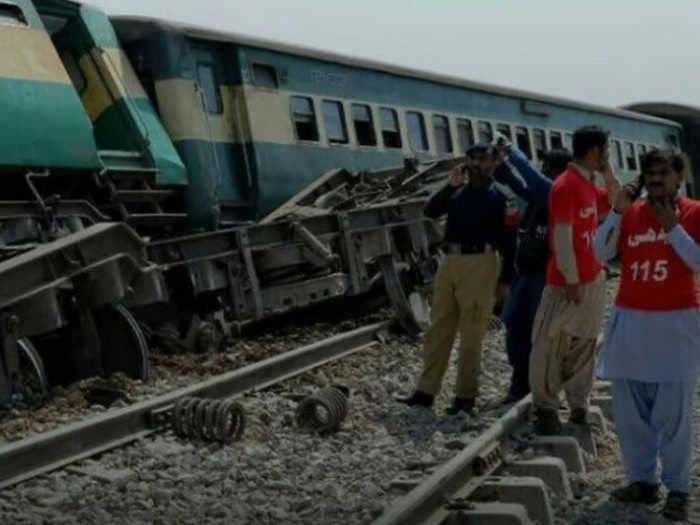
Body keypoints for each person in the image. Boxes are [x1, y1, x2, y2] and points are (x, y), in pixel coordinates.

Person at [594, 149, 697, 522]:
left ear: (678, 178)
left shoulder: (694, 213)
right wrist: (618, 211)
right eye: (649, 173)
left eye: (663, 173)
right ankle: (642, 480)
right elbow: (600, 251)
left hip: (675, 326)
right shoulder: (632, 214)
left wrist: (673, 227)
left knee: (673, 415)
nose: (655, 180)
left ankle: (679, 488)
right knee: (630, 411)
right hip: (632, 323)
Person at [397, 143, 517, 415]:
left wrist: (505, 280)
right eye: (472, 159)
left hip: (482, 262)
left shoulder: (501, 197)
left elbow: (510, 243)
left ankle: (465, 397)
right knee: (439, 328)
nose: (477, 164)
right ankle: (425, 392)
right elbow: (431, 210)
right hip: (450, 262)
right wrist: (450, 186)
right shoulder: (457, 193)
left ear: (493, 164)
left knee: (472, 332)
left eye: (483, 160)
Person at [528, 125, 620, 434]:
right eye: (606, 151)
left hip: (592, 276)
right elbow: (562, 235)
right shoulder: (566, 185)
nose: (608, 156)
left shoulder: (587, 183)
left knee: (584, 343)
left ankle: (579, 404)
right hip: (568, 281)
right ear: (594, 150)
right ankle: (546, 408)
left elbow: (618, 202)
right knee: (550, 343)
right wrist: (570, 278)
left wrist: (608, 174)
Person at [497, 148, 573, 403]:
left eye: (548, 167)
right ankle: (520, 385)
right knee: (516, 326)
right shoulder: (541, 196)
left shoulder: (559, 193)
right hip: (528, 272)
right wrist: (500, 169)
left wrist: (513, 154)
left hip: (547, 274)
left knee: (539, 332)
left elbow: (534, 184)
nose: (543, 171)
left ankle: (541, 389)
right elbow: (521, 187)